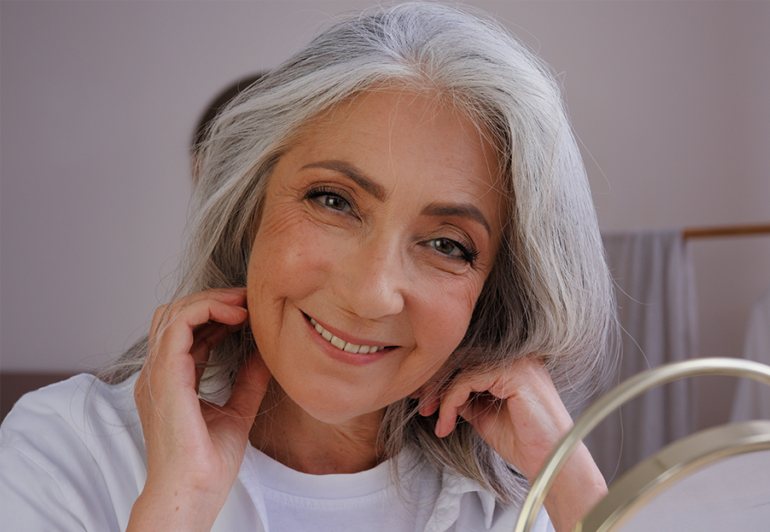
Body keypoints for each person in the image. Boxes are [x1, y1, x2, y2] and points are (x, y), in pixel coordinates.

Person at [0, 3, 618, 531]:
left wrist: (569, 476)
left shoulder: (512, 507)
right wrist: (177, 505)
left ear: (493, 293)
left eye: (447, 245)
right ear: (250, 207)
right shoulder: (65, 451)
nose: (371, 293)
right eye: (334, 201)